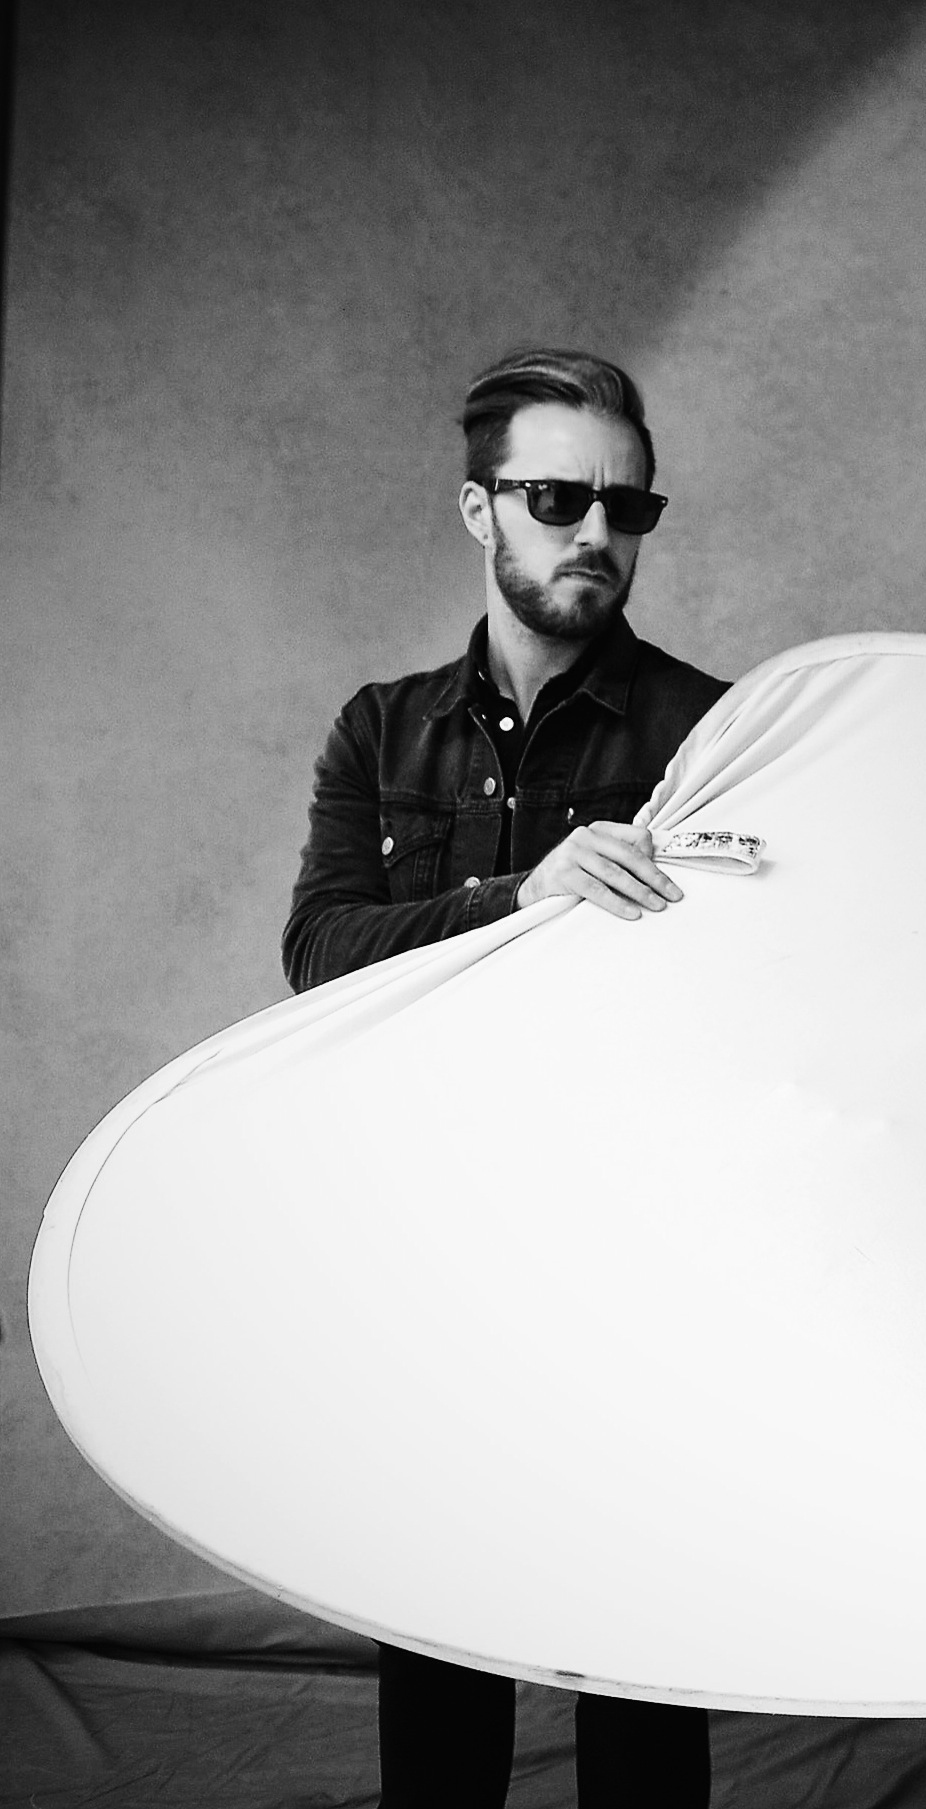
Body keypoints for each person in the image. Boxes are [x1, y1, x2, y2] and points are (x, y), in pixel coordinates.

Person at [283, 347, 728, 1807]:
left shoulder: (716, 737)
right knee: (442, 1684)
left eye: (626, 503)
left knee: (641, 1686)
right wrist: (519, 902)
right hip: (435, 1247)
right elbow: (321, 945)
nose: (597, 532)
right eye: (556, 497)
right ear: (480, 510)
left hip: (638, 1259)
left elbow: (750, 1004)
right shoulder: (379, 727)